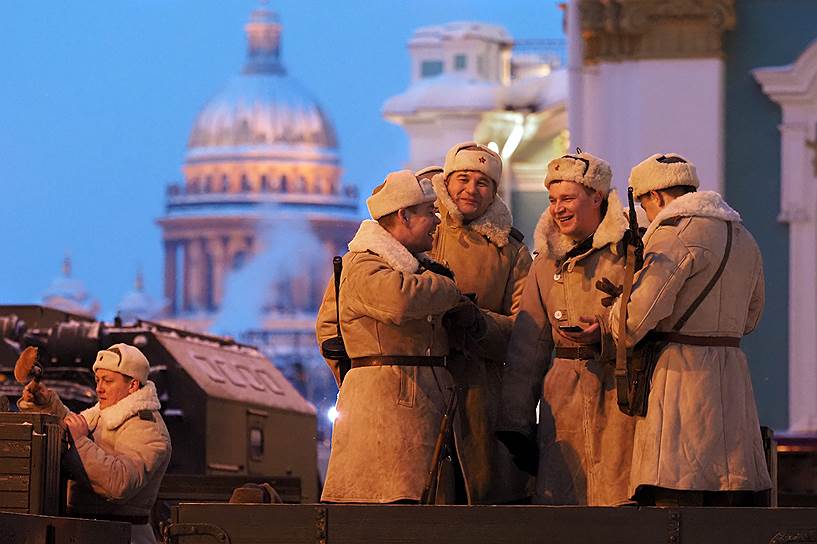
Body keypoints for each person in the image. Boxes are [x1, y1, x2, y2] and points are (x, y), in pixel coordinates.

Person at [610, 153, 771, 506]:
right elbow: (751, 318)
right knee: (728, 508)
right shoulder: (743, 236)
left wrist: (613, 310)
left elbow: (633, 322)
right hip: (733, 379)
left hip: (681, 381)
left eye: (644, 205)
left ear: (656, 196)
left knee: (676, 505)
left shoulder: (673, 235)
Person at [317, 170, 482, 504]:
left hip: (417, 405)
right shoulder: (364, 265)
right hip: (390, 411)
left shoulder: (414, 267)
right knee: (392, 508)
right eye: (429, 212)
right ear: (404, 215)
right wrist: (448, 289)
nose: (438, 220)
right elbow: (399, 300)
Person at [497, 151, 636, 505]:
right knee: (565, 509)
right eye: (553, 199)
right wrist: (517, 425)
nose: (558, 208)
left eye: (568, 198)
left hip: (620, 398)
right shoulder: (544, 264)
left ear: (596, 197)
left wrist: (606, 333)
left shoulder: (632, 253)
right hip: (563, 405)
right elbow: (527, 349)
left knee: (621, 505)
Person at [422, 141, 533, 503]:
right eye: (463, 178)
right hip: (421, 381)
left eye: (482, 183)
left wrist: (479, 324)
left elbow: (524, 328)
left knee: (475, 492)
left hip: (478, 389)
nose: (471, 189)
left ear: (493, 193)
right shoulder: (421, 228)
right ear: (447, 181)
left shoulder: (511, 251)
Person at [19, 343, 171, 544]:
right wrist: (48, 406)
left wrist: (80, 442)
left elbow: (120, 483)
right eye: (97, 380)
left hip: (123, 537)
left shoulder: (147, 428)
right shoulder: (103, 415)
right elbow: (79, 428)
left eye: (107, 381)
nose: (99, 388)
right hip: (89, 533)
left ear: (133, 385)